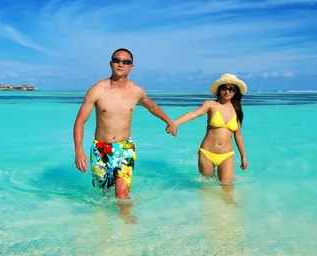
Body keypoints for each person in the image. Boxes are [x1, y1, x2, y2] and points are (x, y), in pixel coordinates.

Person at [73, 48, 178, 199]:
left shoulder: (136, 91)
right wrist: (78, 151)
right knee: (103, 196)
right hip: (100, 149)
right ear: (111, 64)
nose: (121, 64)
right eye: (117, 60)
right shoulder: (97, 90)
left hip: (125, 148)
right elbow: (80, 121)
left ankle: (128, 220)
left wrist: (169, 121)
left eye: (126, 62)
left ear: (131, 67)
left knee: (122, 196)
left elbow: (152, 106)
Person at [173, 73, 248, 185]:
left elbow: (238, 135)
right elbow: (194, 114)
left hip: (227, 155)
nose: (227, 91)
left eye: (231, 89)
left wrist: (243, 156)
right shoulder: (211, 105)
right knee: (207, 189)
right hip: (207, 154)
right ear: (219, 90)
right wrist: (175, 123)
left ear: (235, 91)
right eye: (224, 88)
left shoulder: (237, 110)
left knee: (228, 188)